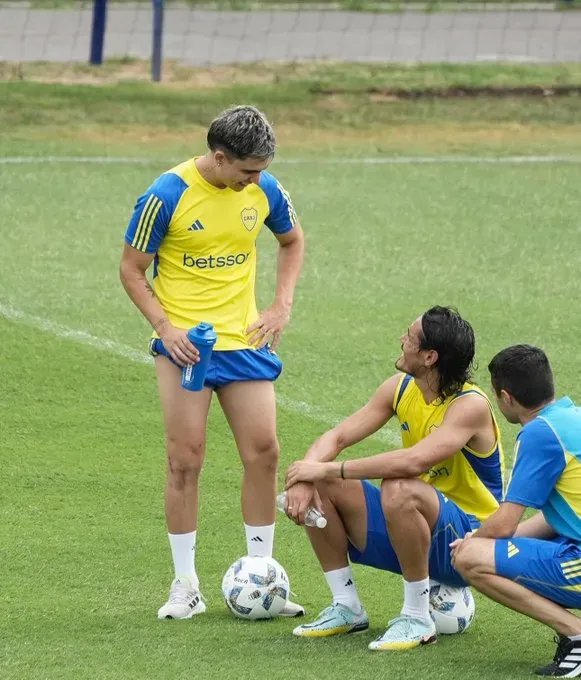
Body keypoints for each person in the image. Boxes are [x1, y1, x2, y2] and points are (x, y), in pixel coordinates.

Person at [119, 105, 305, 619]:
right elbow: (132, 269)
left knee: (264, 452)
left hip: (244, 343)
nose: (257, 180)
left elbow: (291, 241)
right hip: (187, 349)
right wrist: (166, 329)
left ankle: (262, 576)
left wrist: (280, 305)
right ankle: (185, 586)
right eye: (248, 171)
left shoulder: (264, 190)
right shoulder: (166, 195)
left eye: (262, 170)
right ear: (219, 158)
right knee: (185, 460)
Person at [283, 306, 504, 649]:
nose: (402, 340)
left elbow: (413, 461)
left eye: (409, 338)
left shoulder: (469, 405)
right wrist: (305, 476)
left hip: (472, 540)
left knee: (399, 485)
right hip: (411, 527)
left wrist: (324, 468)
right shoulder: (400, 387)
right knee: (325, 480)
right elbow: (337, 437)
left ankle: (417, 616)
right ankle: (346, 606)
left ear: (429, 356)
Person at [451, 345, 581, 677]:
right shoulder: (572, 419)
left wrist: (473, 543)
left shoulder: (539, 433)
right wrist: (480, 539)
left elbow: (507, 521)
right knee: (478, 549)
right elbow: (554, 517)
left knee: (469, 559)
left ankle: (576, 634)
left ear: (506, 398)